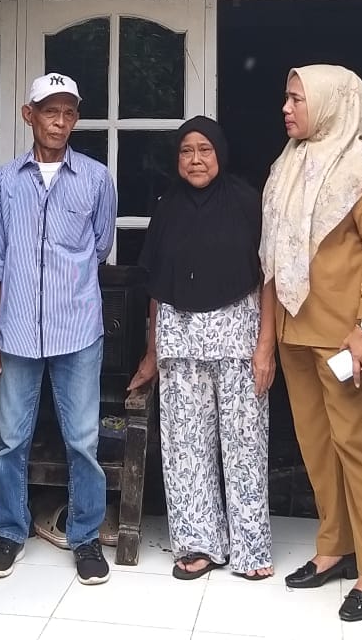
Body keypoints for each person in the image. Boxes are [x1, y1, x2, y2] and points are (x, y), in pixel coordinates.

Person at [261, 65, 362, 623]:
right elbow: (274, 251)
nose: (286, 108)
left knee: (358, 445)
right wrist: (269, 332)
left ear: (329, 102)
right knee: (316, 446)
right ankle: (335, 547)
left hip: (347, 337)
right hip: (295, 327)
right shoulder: (287, 164)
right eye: (286, 98)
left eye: (297, 99)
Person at [0, 73, 118, 586]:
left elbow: (99, 247)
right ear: (28, 114)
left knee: (82, 441)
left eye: (68, 112)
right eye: (50, 111)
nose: (59, 122)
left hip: (77, 329)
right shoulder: (4, 181)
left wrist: (65, 286)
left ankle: (85, 537)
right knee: (12, 440)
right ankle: (9, 531)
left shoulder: (97, 178)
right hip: (15, 331)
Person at [128, 117, 276, 582]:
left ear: (220, 154)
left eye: (205, 150)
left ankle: (251, 548)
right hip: (179, 338)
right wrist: (151, 353)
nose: (195, 159)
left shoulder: (248, 203)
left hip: (238, 337)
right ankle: (199, 544)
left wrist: (266, 347)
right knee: (184, 445)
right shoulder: (167, 209)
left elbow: (270, 277)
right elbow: (156, 286)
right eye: (186, 151)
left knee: (245, 444)